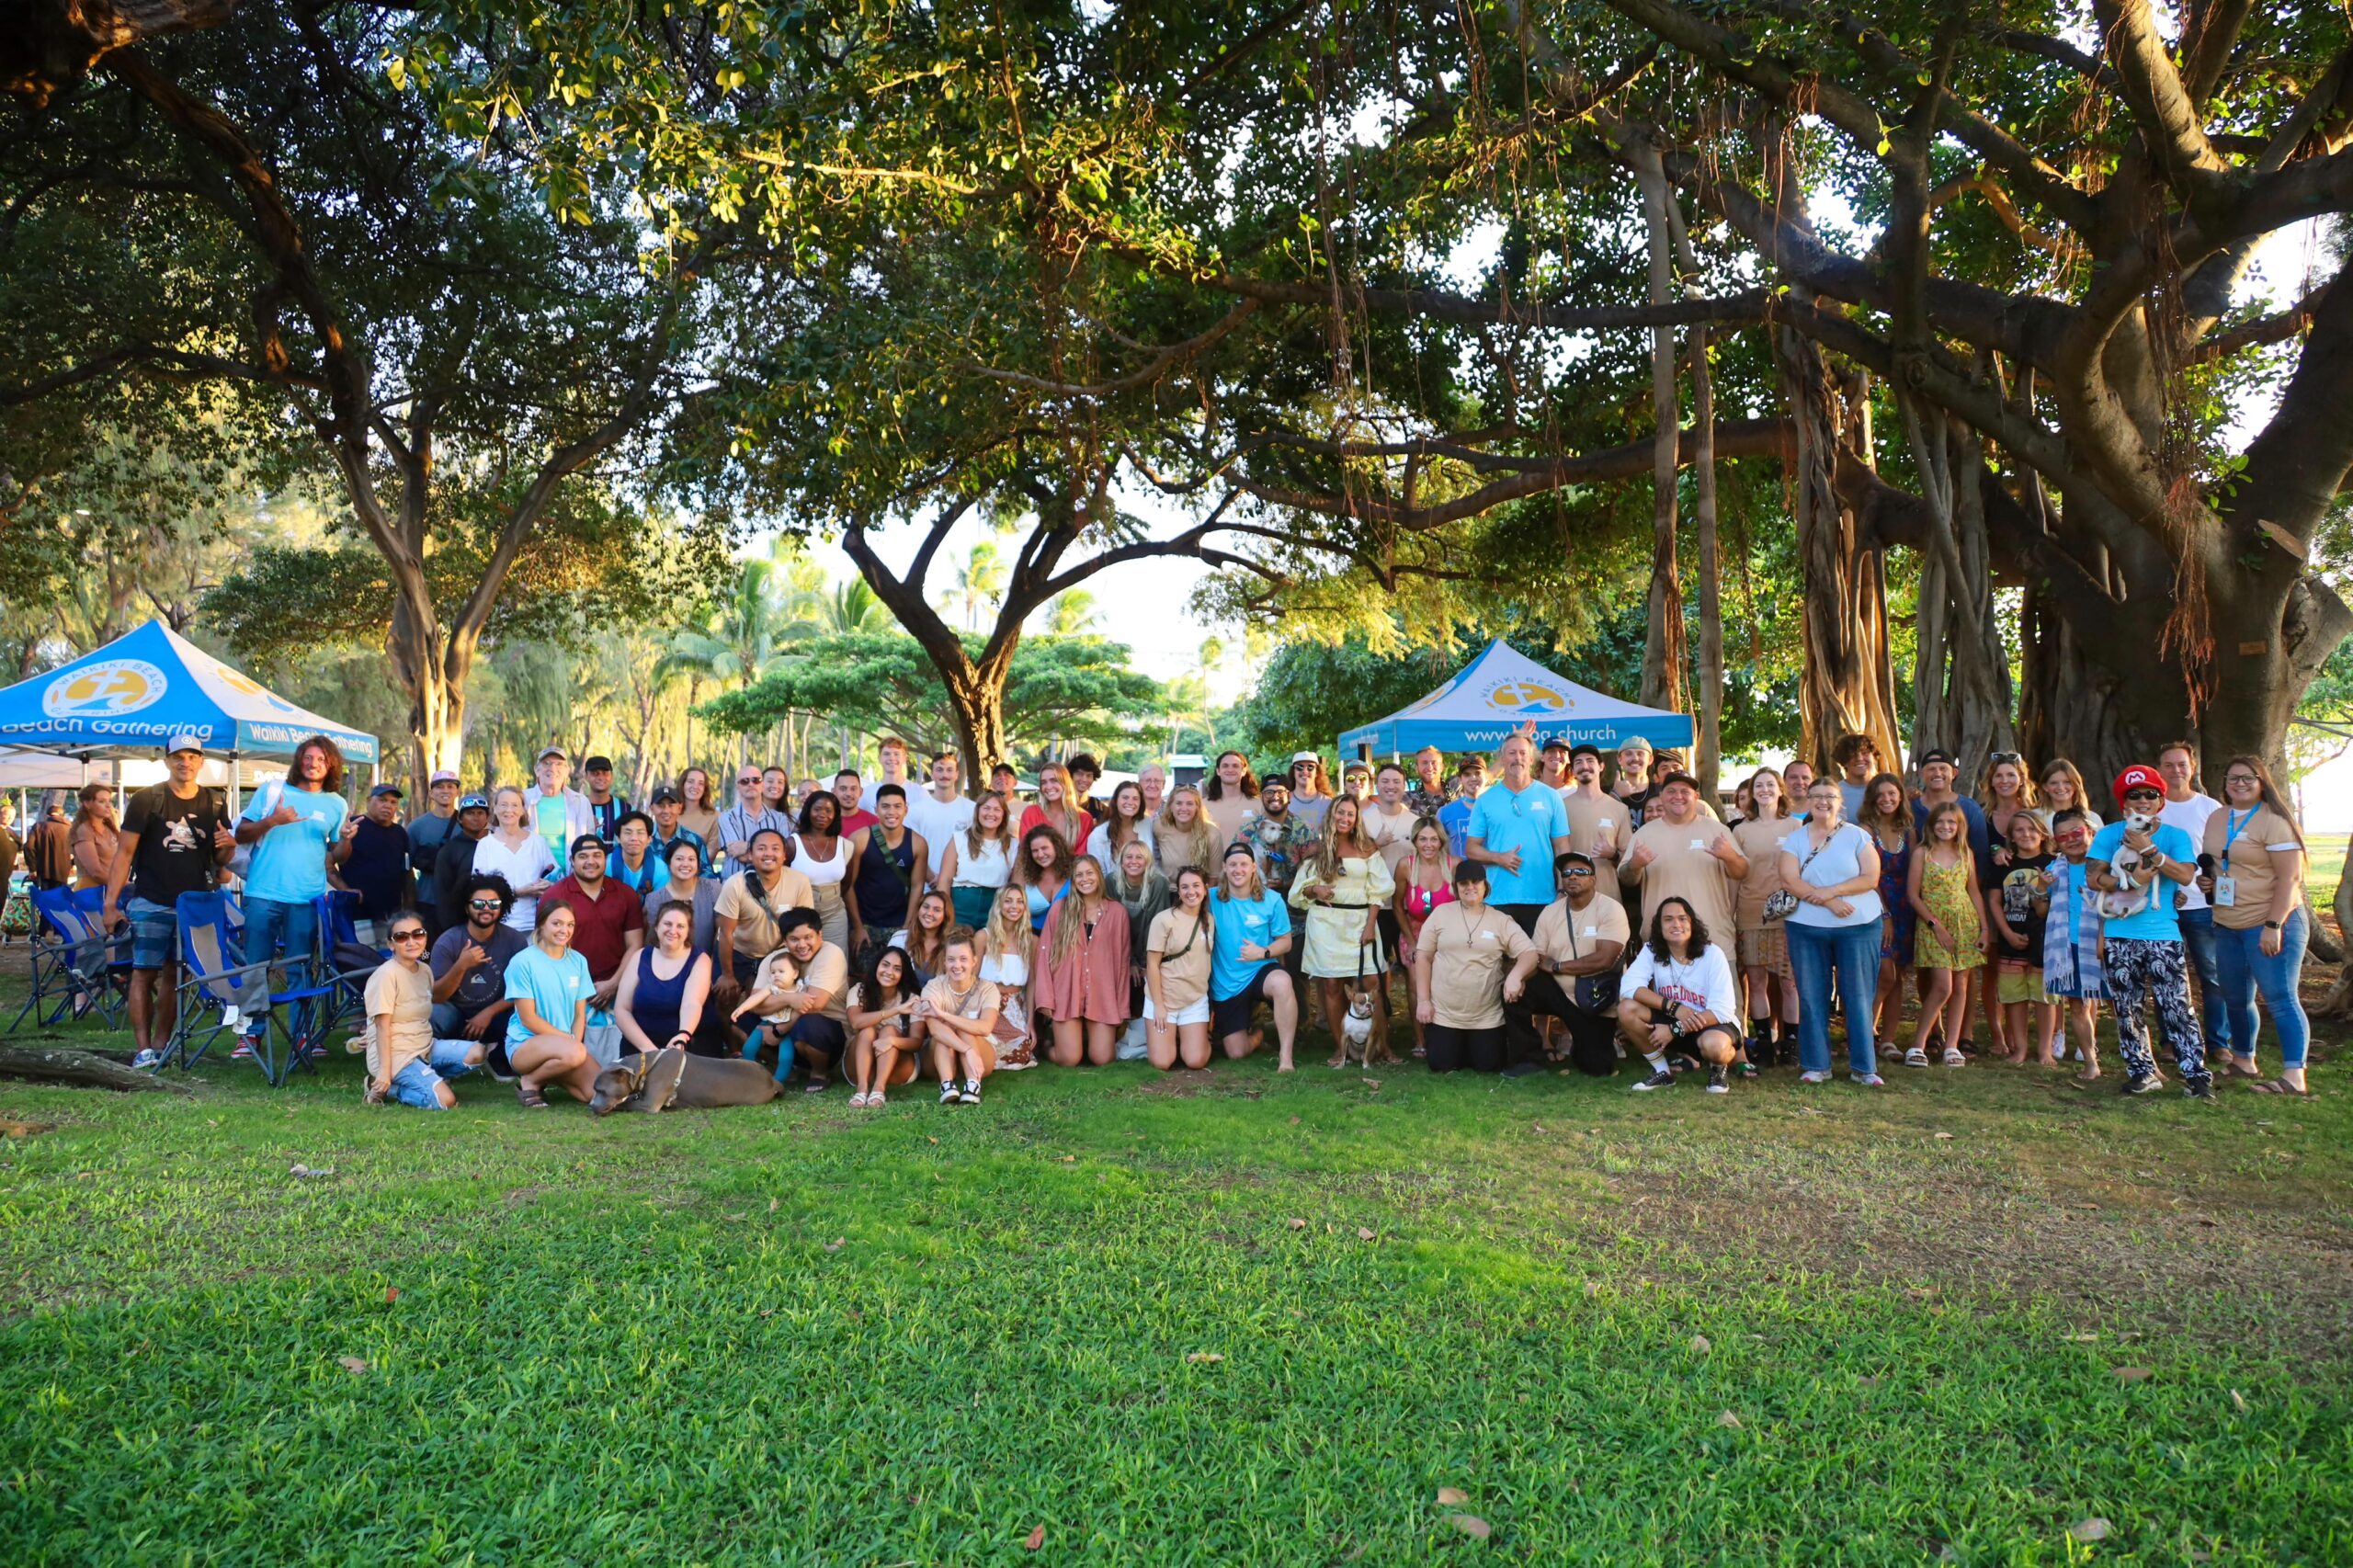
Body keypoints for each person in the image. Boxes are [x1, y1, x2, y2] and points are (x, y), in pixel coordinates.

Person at [105, 733, 235, 1071]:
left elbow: (221, 858)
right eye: (179, 756)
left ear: (201, 762)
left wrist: (229, 846)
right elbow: (124, 853)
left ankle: (161, 1044)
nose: (185, 762)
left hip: (193, 904)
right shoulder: (147, 799)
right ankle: (142, 1048)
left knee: (174, 975)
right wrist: (111, 903)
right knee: (142, 973)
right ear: (167, 761)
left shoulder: (216, 803)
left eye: (192, 756)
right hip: (151, 899)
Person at [2088, 765, 2211, 1099]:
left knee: (2176, 1006)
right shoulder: (2108, 834)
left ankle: (2196, 1075)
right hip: (2119, 932)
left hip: (2162, 934)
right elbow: (2093, 877)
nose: (2142, 801)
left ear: (2160, 802)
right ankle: (2142, 1072)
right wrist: (2128, 881)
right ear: (2123, 803)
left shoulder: (2175, 836)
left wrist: (2147, 849)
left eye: (2150, 794)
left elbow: (2185, 875)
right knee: (2127, 1008)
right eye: (2134, 795)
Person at [233, 736, 353, 1056]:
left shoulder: (336, 804)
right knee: (255, 965)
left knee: (301, 966)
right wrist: (273, 820)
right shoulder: (273, 792)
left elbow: (338, 852)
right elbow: (240, 834)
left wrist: (348, 839)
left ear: (331, 766)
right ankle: (250, 1034)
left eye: (321, 759)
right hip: (263, 893)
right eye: (308, 757)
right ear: (299, 760)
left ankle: (302, 1035)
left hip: (307, 897)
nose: (313, 763)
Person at [2203, 756, 2311, 1096]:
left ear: (2262, 781)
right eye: (2233, 777)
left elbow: (2290, 878)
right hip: (2227, 922)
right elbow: (2221, 863)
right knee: (2235, 997)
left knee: (2280, 997)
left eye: (2249, 778)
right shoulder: (2218, 817)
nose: (2240, 783)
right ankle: (2243, 1060)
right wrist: (2210, 882)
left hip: (2269, 921)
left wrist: (2273, 924)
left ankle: (2294, 1076)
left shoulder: (2274, 821)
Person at [1779, 778, 1886, 1085]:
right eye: (1816, 796)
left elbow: (1870, 877)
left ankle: (1864, 1068)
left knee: (1858, 995)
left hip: (1859, 926)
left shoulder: (1857, 836)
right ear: (1808, 801)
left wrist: (1831, 894)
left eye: (1830, 796)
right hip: (1807, 928)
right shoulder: (1795, 839)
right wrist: (1831, 902)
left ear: (1841, 802)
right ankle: (1816, 1065)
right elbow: (1789, 879)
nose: (1823, 801)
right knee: (1812, 995)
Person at [1290, 794, 1396, 1067]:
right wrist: (1315, 889)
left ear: (1356, 818)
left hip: (1361, 921)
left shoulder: (1367, 848)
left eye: (1350, 814)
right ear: (1331, 815)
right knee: (1332, 985)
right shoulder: (1318, 850)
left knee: (1373, 984)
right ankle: (1342, 1049)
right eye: (1340, 813)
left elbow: (1380, 889)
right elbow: (1297, 893)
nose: (1344, 818)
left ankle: (1383, 1046)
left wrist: (1371, 924)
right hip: (1326, 923)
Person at [1504, 851, 1630, 1075]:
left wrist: (1557, 966)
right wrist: (1517, 977)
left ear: (1593, 878)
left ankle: (1587, 1045)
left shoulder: (1611, 909)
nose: (1572, 877)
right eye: (1567, 872)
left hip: (1594, 997)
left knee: (1598, 1067)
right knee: (1517, 989)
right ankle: (1528, 1060)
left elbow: (1605, 959)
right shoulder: (1550, 913)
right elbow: (1537, 956)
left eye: (1581, 872)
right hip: (1557, 992)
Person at [1410, 859, 1541, 1074]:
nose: (1470, 887)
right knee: (1442, 1065)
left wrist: (1515, 976)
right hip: (1445, 1014)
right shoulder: (1440, 914)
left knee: (1488, 1066)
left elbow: (1530, 953)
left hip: (1486, 1017)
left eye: (1476, 882)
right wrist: (1424, 1001)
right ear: (1456, 887)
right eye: (1463, 883)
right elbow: (1423, 957)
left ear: (1485, 886)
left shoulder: (1501, 920)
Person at [1616, 896, 1743, 1093]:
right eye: (1668, 919)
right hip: (1672, 1016)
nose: (1676, 924)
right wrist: (1674, 1008)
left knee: (1715, 1047)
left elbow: (1722, 1010)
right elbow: (1629, 986)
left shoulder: (1712, 954)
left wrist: (1676, 1028)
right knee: (1627, 1008)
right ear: (1659, 926)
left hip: (1710, 1024)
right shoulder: (1652, 950)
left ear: (1692, 923)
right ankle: (1662, 1072)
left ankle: (1718, 1068)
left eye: (1682, 919)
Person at [544, 834, 646, 1063]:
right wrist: (581, 987)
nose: (590, 861)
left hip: (617, 982)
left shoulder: (625, 894)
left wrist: (613, 984)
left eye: (596, 855)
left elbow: (635, 945)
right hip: (569, 985)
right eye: (583, 856)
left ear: (605, 859)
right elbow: (547, 949)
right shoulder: (555, 895)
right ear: (572, 861)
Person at [362, 913, 480, 1109]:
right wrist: (384, 1071)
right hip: (396, 1054)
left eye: (417, 934)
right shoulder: (385, 975)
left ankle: (426, 1077)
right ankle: (392, 1089)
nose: (411, 941)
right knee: (446, 1102)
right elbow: (382, 1027)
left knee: (477, 1053)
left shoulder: (425, 971)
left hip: (424, 1047)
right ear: (391, 944)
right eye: (401, 937)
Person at [2155, 739, 2226, 1056]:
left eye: (2181, 764)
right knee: (2166, 975)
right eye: (2168, 765)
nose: (2175, 771)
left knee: (2212, 976)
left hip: (2201, 905)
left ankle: (2218, 1042)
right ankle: (2171, 1040)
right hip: (2162, 906)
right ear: (2159, 770)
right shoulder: (2152, 807)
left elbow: (2221, 856)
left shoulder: (2209, 807)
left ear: (2192, 767)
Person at [733, 908, 850, 1091]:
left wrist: (779, 1030)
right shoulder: (774, 959)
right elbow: (756, 1002)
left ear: (820, 934)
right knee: (738, 1021)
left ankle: (819, 1073)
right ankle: (790, 1068)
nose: (802, 945)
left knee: (808, 1024)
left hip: (825, 1032)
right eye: (794, 939)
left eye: (808, 937)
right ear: (785, 940)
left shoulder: (831, 953)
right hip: (779, 1021)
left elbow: (814, 1004)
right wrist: (790, 998)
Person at [1466, 733, 1573, 934]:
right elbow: (1471, 849)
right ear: (1503, 758)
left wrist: (1562, 889)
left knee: (1540, 960)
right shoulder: (1485, 800)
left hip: (1543, 897)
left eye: (1523, 753)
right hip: (1497, 898)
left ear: (1532, 759)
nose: (1518, 758)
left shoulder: (1551, 797)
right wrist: (1498, 857)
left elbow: (1562, 847)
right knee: (1499, 962)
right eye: (1512, 753)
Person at [1908, 801, 1986, 1067]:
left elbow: (1973, 891)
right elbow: (1913, 894)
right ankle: (1918, 1044)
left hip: (1964, 922)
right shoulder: (1922, 853)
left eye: (1951, 822)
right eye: (1940, 822)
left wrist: (1984, 927)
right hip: (1933, 924)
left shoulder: (1966, 853)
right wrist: (1935, 925)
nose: (1945, 827)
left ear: (1959, 826)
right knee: (1943, 986)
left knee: (1961, 985)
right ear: (1931, 825)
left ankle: (1952, 1046)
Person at [1729, 767, 1799, 1064]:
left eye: (1771, 785)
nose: (1765, 790)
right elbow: (1734, 877)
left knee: (1789, 982)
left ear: (1781, 790)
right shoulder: (1741, 830)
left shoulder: (1796, 827)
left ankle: (1791, 1045)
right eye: (1759, 785)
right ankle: (1764, 1045)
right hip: (1751, 912)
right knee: (1756, 981)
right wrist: (1729, 914)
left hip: (1789, 915)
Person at [1622, 772, 1746, 938]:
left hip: (1713, 938)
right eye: (1671, 791)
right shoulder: (1643, 835)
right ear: (1662, 796)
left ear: (1696, 796)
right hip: (1661, 941)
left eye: (1685, 791)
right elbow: (1626, 879)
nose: (1678, 796)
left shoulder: (1718, 831)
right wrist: (1635, 864)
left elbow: (1742, 872)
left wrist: (1729, 856)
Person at [1035, 853, 1131, 1066]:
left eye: (1089, 873)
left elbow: (1122, 963)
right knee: (1069, 1059)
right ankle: (1048, 1047)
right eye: (1079, 875)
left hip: (1101, 994)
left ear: (1098, 875)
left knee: (1102, 1058)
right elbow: (1044, 954)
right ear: (1073, 880)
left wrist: (1122, 1006)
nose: (1084, 879)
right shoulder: (1060, 909)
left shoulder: (1117, 913)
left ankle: (1083, 1041)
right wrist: (1045, 998)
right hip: (1066, 992)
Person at [1210, 842, 1299, 1070]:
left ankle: (1286, 1057)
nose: (1238, 870)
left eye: (1243, 864)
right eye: (1232, 865)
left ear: (1253, 868)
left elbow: (1285, 942)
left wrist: (1263, 952)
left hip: (1260, 971)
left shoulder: (1272, 900)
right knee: (1236, 1052)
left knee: (1282, 982)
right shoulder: (1210, 899)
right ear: (1224, 868)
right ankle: (1258, 1034)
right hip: (1227, 983)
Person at [1975, 750, 2041, 1058]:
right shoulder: (1981, 815)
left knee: (2035, 966)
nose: (2005, 781)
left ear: (2021, 779)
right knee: (1994, 968)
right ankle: (1999, 1035)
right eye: (1999, 775)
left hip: (2032, 904)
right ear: (1991, 780)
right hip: (1991, 896)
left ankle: (2042, 1037)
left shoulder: (2035, 814)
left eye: (2010, 775)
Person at [504, 900, 599, 1108]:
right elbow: (528, 1019)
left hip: (565, 1047)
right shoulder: (522, 962)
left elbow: (579, 1014)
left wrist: (574, 1041)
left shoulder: (579, 961)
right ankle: (530, 1081)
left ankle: (550, 1073)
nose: (564, 930)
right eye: (556, 923)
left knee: (597, 1093)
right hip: (525, 1045)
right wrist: (570, 1041)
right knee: (574, 1053)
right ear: (541, 925)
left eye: (570, 924)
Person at [1988, 810, 2060, 1064]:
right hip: (2011, 937)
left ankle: (2044, 1050)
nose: (2026, 834)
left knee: (2044, 997)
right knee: (2015, 997)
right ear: (2011, 837)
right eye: (2019, 830)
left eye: (2032, 829)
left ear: (2042, 833)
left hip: (2045, 940)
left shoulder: (2054, 863)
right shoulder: (2003, 865)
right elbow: (1995, 902)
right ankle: (2019, 1049)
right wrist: (2006, 932)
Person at [711, 827, 815, 1003]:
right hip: (738, 952)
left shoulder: (800, 881)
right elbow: (726, 934)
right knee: (724, 1000)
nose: (768, 853)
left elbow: (803, 927)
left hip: (777, 953)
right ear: (750, 855)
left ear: (784, 856)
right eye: (761, 848)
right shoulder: (734, 884)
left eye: (775, 849)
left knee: (769, 1006)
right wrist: (727, 974)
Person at [2040, 808, 2107, 1080]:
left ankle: (2145, 1063)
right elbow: (2041, 912)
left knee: (2127, 1003)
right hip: (2069, 945)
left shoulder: (2106, 863)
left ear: (2090, 831)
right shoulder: (2053, 869)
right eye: (2063, 836)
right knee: (2077, 1005)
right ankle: (2091, 1061)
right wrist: (2041, 890)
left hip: (2106, 941)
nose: (2072, 839)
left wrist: (2103, 938)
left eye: (2077, 832)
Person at [429, 872, 526, 1048]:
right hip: (456, 1015)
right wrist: (461, 965)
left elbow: (521, 989)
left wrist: (488, 1013)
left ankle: (501, 1055)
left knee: (530, 1008)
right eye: (479, 903)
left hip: (497, 1015)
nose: (486, 908)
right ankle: (436, 1056)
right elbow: (436, 997)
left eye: (494, 903)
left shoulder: (515, 940)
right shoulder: (448, 941)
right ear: (466, 908)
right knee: (432, 1013)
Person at [1857, 774, 1917, 1050]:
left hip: (1906, 907)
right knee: (1884, 973)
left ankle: (1888, 1039)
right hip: (1876, 906)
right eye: (1880, 794)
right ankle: (1861, 1030)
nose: (1887, 799)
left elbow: (1916, 871)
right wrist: (1885, 915)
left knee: (1898, 977)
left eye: (1892, 793)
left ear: (1900, 796)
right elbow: (1868, 876)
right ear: (1872, 799)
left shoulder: (1908, 830)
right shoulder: (1866, 831)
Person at [615, 899, 715, 1058]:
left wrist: (683, 1036)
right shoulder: (640, 956)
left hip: (686, 1044)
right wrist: (650, 1050)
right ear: (656, 927)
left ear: (688, 931)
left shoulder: (700, 959)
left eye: (680, 926)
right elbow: (622, 1008)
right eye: (667, 924)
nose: (673, 930)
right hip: (640, 1045)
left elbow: (692, 1003)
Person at [1392, 817, 1455, 1059]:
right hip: (1415, 931)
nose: (1428, 844)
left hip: (1446, 934)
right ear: (1415, 841)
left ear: (1441, 841)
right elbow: (1397, 905)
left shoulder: (1454, 865)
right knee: (1416, 985)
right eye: (1423, 839)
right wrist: (1412, 942)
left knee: (1446, 985)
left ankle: (1447, 1033)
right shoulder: (1406, 866)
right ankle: (1420, 1039)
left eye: (1434, 839)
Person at [846, 784, 926, 966]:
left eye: (897, 806)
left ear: (906, 809)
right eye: (885, 806)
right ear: (876, 810)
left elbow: (917, 886)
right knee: (862, 981)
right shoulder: (859, 839)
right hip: (865, 924)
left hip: (898, 925)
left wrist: (907, 929)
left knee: (897, 977)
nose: (892, 812)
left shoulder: (918, 843)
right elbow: (848, 885)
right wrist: (857, 927)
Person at [1143, 865, 1215, 1071]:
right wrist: (1158, 1005)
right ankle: (1171, 1038)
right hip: (1164, 998)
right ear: (1178, 890)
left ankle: (1197, 1037)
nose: (1191, 892)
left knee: (1196, 1061)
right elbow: (1152, 964)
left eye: (1196, 886)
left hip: (1194, 999)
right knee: (1162, 1062)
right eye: (1185, 887)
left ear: (1206, 888)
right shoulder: (1164, 920)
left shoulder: (1209, 920)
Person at [918, 926, 1000, 1104]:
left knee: (966, 1029)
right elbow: (934, 1029)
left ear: (974, 962)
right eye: (951, 960)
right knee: (944, 1031)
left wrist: (943, 1014)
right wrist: (967, 1050)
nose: (957, 966)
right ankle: (947, 1084)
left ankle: (973, 1085)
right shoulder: (933, 987)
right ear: (944, 962)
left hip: (980, 1053)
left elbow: (985, 1027)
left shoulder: (988, 988)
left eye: (963, 959)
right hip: (943, 1054)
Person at [1106, 837, 1171, 1055]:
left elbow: (1154, 924)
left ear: (1148, 861)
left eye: (1139, 857)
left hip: (1148, 944)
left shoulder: (1158, 883)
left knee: (1145, 979)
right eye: (1129, 857)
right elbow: (1113, 925)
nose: (1134, 861)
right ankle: (1119, 1030)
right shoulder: (1111, 882)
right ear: (1121, 861)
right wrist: (1128, 961)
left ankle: (1144, 1034)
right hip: (1118, 947)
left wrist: (1144, 962)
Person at [332, 782, 412, 945]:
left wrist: (409, 907)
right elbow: (328, 865)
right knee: (362, 964)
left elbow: (407, 871)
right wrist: (346, 890)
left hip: (391, 914)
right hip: (358, 914)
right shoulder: (352, 827)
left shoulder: (400, 833)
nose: (387, 806)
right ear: (369, 801)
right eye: (382, 800)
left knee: (390, 965)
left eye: (393, 802)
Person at [845, 947, 922, 1107]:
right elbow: (856, 1022)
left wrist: (893, 1041)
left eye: (897, 969)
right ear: (876, 966)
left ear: (904, 974)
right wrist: (895, 1011)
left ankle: (879, 1089)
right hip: (859, 1065)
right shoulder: (859, 990)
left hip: (897, 1067)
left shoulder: (912, 998)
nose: (889, 972)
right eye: (885, 965)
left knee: (889, 1031)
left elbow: (917, 1042)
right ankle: (862, 1089)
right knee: (867, 1030)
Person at [474, 785, 558, 931]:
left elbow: (556, 876)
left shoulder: (538, 842)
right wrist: (519, 891)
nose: (509, 810)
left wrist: (547, 884)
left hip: (536, 924)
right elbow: (478, 889)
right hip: (499, 925)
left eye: (515, 805)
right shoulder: (485, 845)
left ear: (522, 810)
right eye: (503, 805)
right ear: (495, 809)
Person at [977, 883, 1039, 1069]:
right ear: (999, 905)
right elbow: (970, 979)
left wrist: (1030, 1023)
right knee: (984, 1044)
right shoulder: (983, 936)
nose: (1014, 906)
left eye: (1020, 902)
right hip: (987, 1002)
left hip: (1015, 1005)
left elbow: (1033, 983)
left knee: (1022, 1053)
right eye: (1008, 901)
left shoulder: (1031, 941)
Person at [942, 791, 1017, 929]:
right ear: (977, 811)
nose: (991, 813)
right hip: (959, 910)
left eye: (997, 809)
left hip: (995, 910)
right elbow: (945, 879)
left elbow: (1017, 885)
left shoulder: (1013, 845)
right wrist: (945, 913)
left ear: (1004, 815)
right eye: (986, 808)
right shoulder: (959, 839)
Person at [1558, 744, 1631, 881]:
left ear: (1601, 766)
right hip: (1571, 894)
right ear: (1573, 771)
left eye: (1590, 761)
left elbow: (1629, 865)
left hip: (1608, 895)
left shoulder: (1620, 809)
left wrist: (1613, 855)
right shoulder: (1560, 807)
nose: (1585, 766)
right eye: (1578, 762)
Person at [792, 790, 853, 952]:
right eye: (817, 809)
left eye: (828, 810)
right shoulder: (792, 843)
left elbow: (847, 884)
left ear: (835, 814)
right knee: (802, 960)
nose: (822, 814)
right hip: (801, 912)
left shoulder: (845, 845)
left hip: (834, 912)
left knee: (836, 959)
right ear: (808, 811)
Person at [904, 750, 976, 884]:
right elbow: (910, 849)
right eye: (939, 770)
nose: (945, 774)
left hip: (961, 885)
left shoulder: (972, 810)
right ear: (932, 774)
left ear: (957, 775)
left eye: (950, 770)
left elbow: (975, 848)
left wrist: (948, 878)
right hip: (925, 886)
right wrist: (932, 878)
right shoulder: (915, 810)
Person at [406, 769, 462, 934]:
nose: (445, 790)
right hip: (427, 901)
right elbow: (407, 868)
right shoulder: (416, 827)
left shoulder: (468, 826)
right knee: (427, 953)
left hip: (459, 902)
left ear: (457, 792)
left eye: (450, 786)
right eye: (439, 787)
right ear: (431, 793)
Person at [430, 792, 494, 931]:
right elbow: (443, 894)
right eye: (470, 813)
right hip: (461, 924)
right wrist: (452, 928)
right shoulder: (449, 851)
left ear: (487, 817)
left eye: (480, 813)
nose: (476, 818)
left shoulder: (498, 845)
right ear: (460, 818)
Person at [645, 837, 720, 956]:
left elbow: (721, 934)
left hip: (707, 964)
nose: (686, 864)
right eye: (679, 859)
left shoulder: (712, 889)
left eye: (691, 859)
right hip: (669, 966)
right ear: (669, 863)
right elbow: (653, 942)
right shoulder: (655, 899)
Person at [523, 746, 595, 865]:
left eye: (559, 764)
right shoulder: (522, 799)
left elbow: (590, 842)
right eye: (547, 763)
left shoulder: (580, 802)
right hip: (531, 877)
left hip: (571, 876)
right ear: (537, 770)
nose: (552, 768)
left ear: (567, 771)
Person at [717, 765, 791, 872]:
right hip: (737, 885)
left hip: (772, 886)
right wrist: (771, 851)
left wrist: (746, 846)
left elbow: (784, 854)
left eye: (756, 780)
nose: (751, 784)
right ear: (737, 786)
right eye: (744, 781)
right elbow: (737, 854)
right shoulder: (727, 818)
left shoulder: (780, 819)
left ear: (762, 784)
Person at [1152, 783, 1221, 882]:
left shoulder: (1212, 833)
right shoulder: (1159, 826)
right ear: (1170, 806)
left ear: (1197, 807)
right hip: (1168, 891)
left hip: (1197, 893)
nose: (1184, 808)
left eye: (1189, 804)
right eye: (1179, 803)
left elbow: (1214, 877)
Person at [1019, 762, 1094, 851]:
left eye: (1054, 780)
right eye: (1044, 782)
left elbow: (1082, 858)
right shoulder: (1031, 813)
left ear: (1065, 783)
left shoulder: (1084, 818)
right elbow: (1025, 851)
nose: (1048, 787)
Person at [1014, 823, 1072, 935]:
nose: (1040, 854)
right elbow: (1012, 905)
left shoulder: (1074, 872)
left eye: (1044, 848)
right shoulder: (1023, 873)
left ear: (1056, 846)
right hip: (1028, 937)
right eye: (1035, 851)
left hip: (1064, 938)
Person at [1083, 779, 1154, 868]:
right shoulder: (1098, 835)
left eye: (1135, 799)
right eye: (1125, 797)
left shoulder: (1147, 824)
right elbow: (1099, 873)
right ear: (1115, 801)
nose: (1130, 802)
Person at [890, 887, 953, 984]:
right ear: (919, 909)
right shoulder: (899, 939)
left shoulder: (952, 947)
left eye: (937, 910)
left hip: (936, 999)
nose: (929, 913)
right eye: (926, 907)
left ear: (945, 916)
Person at [69, 780, 119, 890]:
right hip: (91, 892)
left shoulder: (109, 829)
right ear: (87, 804)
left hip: (111, 889)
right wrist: (121, 885)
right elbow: (96, 872)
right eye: (101, 801)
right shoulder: (84, 830)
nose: (108, 805)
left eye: (109, 801)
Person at [648, 786, 710, 874]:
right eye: (661, 805)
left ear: (679, 808)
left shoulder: (694, 840)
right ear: (652, 808)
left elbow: (706, 875)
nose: (666, 810)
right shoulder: (642, 840)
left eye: (671, 805)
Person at [1200, 749, 1259, 841]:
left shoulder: (1259, 804)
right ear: (1218, 771)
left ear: (1243, 771)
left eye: (1235, 766)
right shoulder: (1203, 806)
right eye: (1225, 766)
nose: (1230, 770)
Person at [23, 790, 74, 892]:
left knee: (46, 898)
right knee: (59, 898)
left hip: (43, 870)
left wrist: (32, 868)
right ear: (62, 816)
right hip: (63, 871)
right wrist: (72, 863)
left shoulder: (38, 827)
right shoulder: (70, 829)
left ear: (48, 815)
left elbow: (28, 847)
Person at [2035, 759, 2102, 834]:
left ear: (2076, 785)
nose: (2060, 787)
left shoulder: (2093, 818)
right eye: (2054, 783)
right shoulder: (2035, 817)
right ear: (2045, 787)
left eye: (2067, 782)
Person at [607, 811, 665, 896]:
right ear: (618, 838)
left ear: (649, 839)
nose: (634, 838)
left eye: (640, 832)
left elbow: (662, 905)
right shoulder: (605, 866)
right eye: (628, 833)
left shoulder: (660, 869)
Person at [1437, 760, 1481, 858]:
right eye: (1467, 774)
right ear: (1460, 779)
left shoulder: (1497, 809)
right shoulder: (1445, 812)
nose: (1473, 778)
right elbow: (1437, 849)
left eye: (1478, 773)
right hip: (1458, 872)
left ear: (1486, 776)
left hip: (1491, 872)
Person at [1609, 736, 1656, 824]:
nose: (1635, 758)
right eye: (1628, 754)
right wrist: (1615, 795)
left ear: (1650, 759)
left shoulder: (1660, 792)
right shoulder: (1606, 792)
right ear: (1619, 759)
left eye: (1640, 754)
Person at [1832, 733, 1879, 817]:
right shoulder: (1834, 793)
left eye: (1865, 753)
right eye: (1853, 755)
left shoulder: (1886, 789)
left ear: (1874, 757)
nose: (1860, 758)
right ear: (1844, 761)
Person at [1286, 752, 1334, 833]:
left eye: (1310, 767)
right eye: (1299, 767)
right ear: (1293, 772)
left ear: (1317, 772)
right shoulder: (1283, 801)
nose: (1305, 771)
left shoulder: (1329, 803)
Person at [676, 767, 722, 852]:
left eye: (701, 783)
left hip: (701, 865)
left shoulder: (714, 817)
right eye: (690, 782)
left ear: (705, 789)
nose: (695, 786)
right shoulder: (671, 812)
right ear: (682, 785)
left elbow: (710, 853)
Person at [833, 767, 879, 839]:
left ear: (861, 792)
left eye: (853, 789)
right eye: (843, 789)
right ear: (833, 792)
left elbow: (883, 849)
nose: (848, 794)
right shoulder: (824, 821)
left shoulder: (874, 822)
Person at [1405, 746, 1449, 819]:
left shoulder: (1458, 792)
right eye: (1425, 763)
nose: (1430, 767)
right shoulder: (1409, 799)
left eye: (1434, 763)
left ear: (1442, 767)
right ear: (1417, 768)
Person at [1066, 752, 1108, 824]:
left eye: (1089, 776)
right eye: (1080, 774)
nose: (1084, 780)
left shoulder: (1101, 810)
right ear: (1070, 775)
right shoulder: (1059, 805)